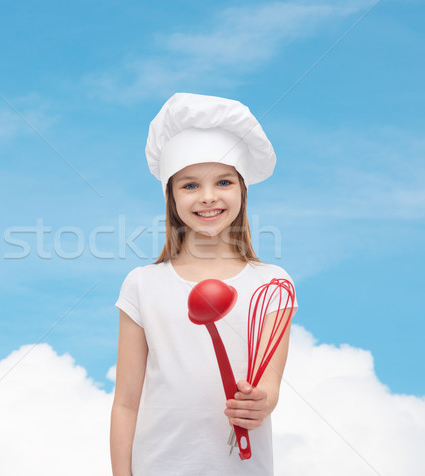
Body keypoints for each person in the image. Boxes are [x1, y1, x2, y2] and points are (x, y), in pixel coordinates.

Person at [110, 93, 299, 476]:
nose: (209, 197)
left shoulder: (273, 284)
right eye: (190, 185)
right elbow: (126, 403)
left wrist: (260, 402)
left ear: (242, 190)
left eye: (224, 181)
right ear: (171, 196)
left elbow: (270, 385)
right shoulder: (142, 285)